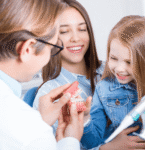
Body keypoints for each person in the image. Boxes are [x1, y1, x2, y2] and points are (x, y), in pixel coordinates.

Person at [0, 0, 85, 149]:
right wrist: (70, 142)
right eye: (52, 47)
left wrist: (41, 122)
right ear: (28, 49)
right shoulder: (33, 133)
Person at [33, 0, 104, 149]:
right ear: (50, 37)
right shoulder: (48, 95)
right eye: (64, 31)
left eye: (82, 29)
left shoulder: (113, 71)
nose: (76, 38)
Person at [81, 15, 145, 150]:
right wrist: (84, 120)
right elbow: (91, 142)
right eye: (113, 58)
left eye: (129, 62)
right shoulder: (104, 90)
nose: (119, 68)